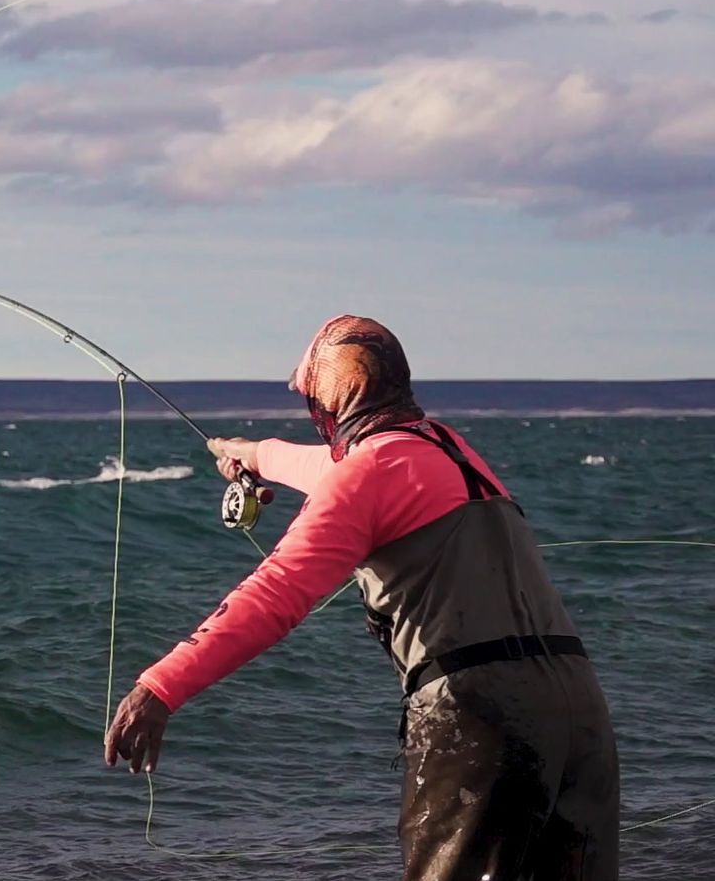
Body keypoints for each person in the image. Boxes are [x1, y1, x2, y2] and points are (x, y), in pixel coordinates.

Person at [103, 315, 619, 881]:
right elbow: (338, 466)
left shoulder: (368, 474)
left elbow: (278, 591)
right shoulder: (452, 450)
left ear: (329, 402)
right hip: (580, 710)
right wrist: (249, 452)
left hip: (481, 717)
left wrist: (160, 686)